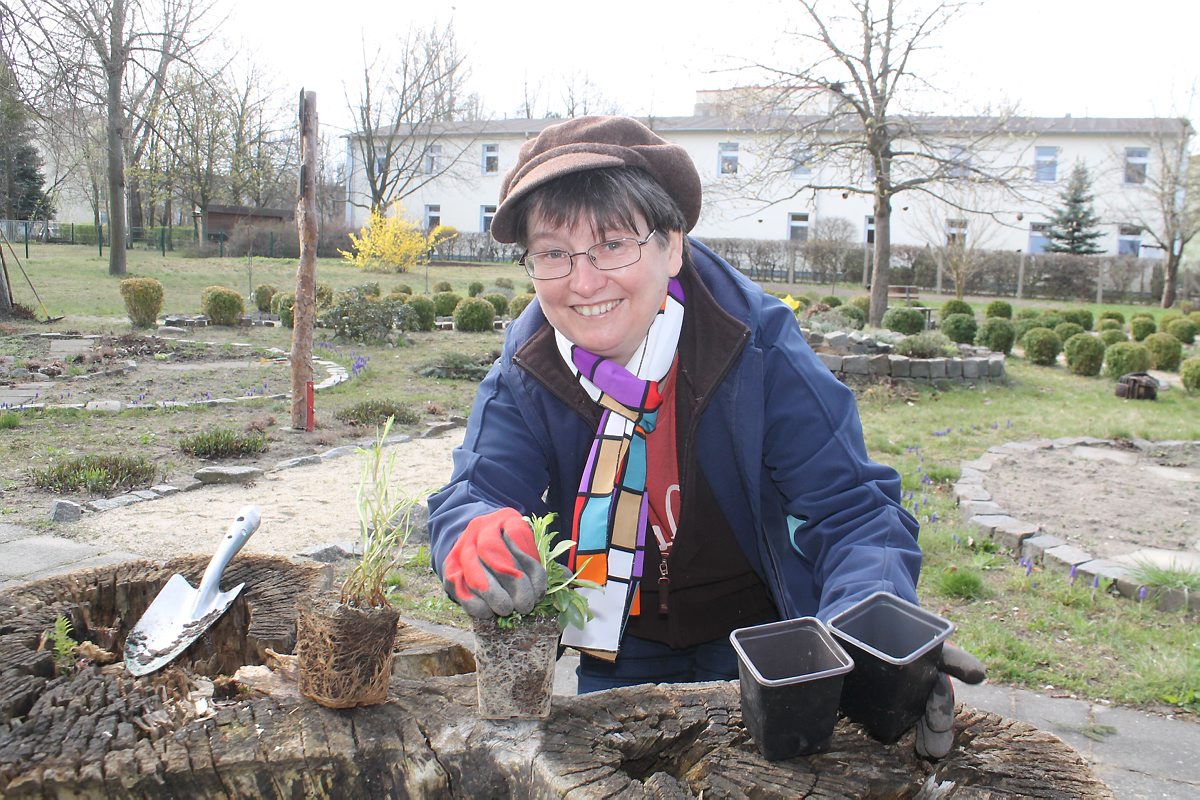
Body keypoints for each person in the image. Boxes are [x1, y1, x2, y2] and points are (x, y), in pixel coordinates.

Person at [427, 115, 983, 758]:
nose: (582, 282)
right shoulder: (529, 364)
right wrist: (470, 534)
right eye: (553, 252)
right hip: (615, 646)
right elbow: (475, 491)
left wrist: (874, 632)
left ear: (672, 247)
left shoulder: (753, 342)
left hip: (760, 645)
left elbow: (854, 509)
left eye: (613, 244)